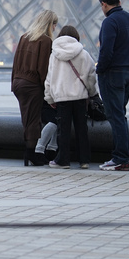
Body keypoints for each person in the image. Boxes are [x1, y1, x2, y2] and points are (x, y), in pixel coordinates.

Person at [96, 0, 129, 171]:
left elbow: (106, 51)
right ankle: (123, 156)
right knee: (121, 114)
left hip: (112, 73)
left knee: (115, 116)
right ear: (119, 1)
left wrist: (100, 70)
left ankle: (121, 157)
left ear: (104, 4)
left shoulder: (109, 22)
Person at [44, 25, 96, 169]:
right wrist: (92, 93)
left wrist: (49, 98)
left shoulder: (54, 55)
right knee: (82, 129)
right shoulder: (84, 54)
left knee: (63, 129)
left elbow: (49, 79)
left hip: (62, 97)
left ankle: (63, 160)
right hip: (79, 97)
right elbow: (91, 76)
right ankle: (84, 160)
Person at [11, 9, 57, 165]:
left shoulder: (24, 37)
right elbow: (43, 70)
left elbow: (15, 62)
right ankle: (31, 154)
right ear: (49, 24)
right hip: (32, 85)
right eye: (54, 24)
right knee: (33, 120)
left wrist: (13, 83)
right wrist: (49, 92)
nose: (55, 28)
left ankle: (30, 153)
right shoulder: (45, 41)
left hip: (18, 82)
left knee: (27, 118)